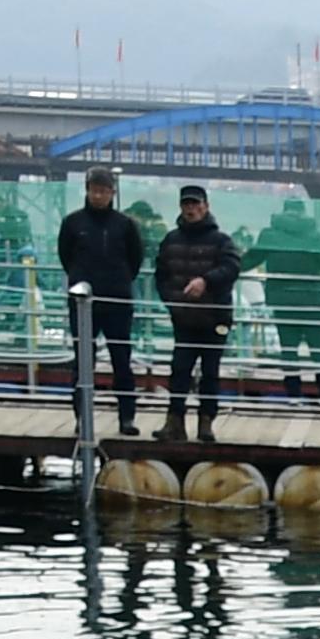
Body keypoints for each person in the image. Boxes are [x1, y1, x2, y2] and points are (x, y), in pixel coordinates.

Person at [57, 167, 146, 437]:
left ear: (112, 193)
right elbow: (65, 256)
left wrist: (118, 282)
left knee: (122, 360)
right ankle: (81, 418)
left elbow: (136, 259)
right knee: (83, 362)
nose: (98, 195)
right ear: (87, 190)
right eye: (94, 190)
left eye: (104, 191)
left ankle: (126, 418)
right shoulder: (73, 223)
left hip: (118, 301)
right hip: (83, 303)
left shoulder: (125, 224)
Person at [151, 185, 239, 442]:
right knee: (179, 369)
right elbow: (161, 275)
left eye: (195, 204)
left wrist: (206, 282)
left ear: (206, 206)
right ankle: (174, 422)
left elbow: (232, 268)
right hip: (184, 317)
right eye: (186, 204)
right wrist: (172, 302)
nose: (191, 209)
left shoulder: (222, 241)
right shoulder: (171, 240)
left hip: (216, 319)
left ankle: (206, 423)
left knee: (211, 371)